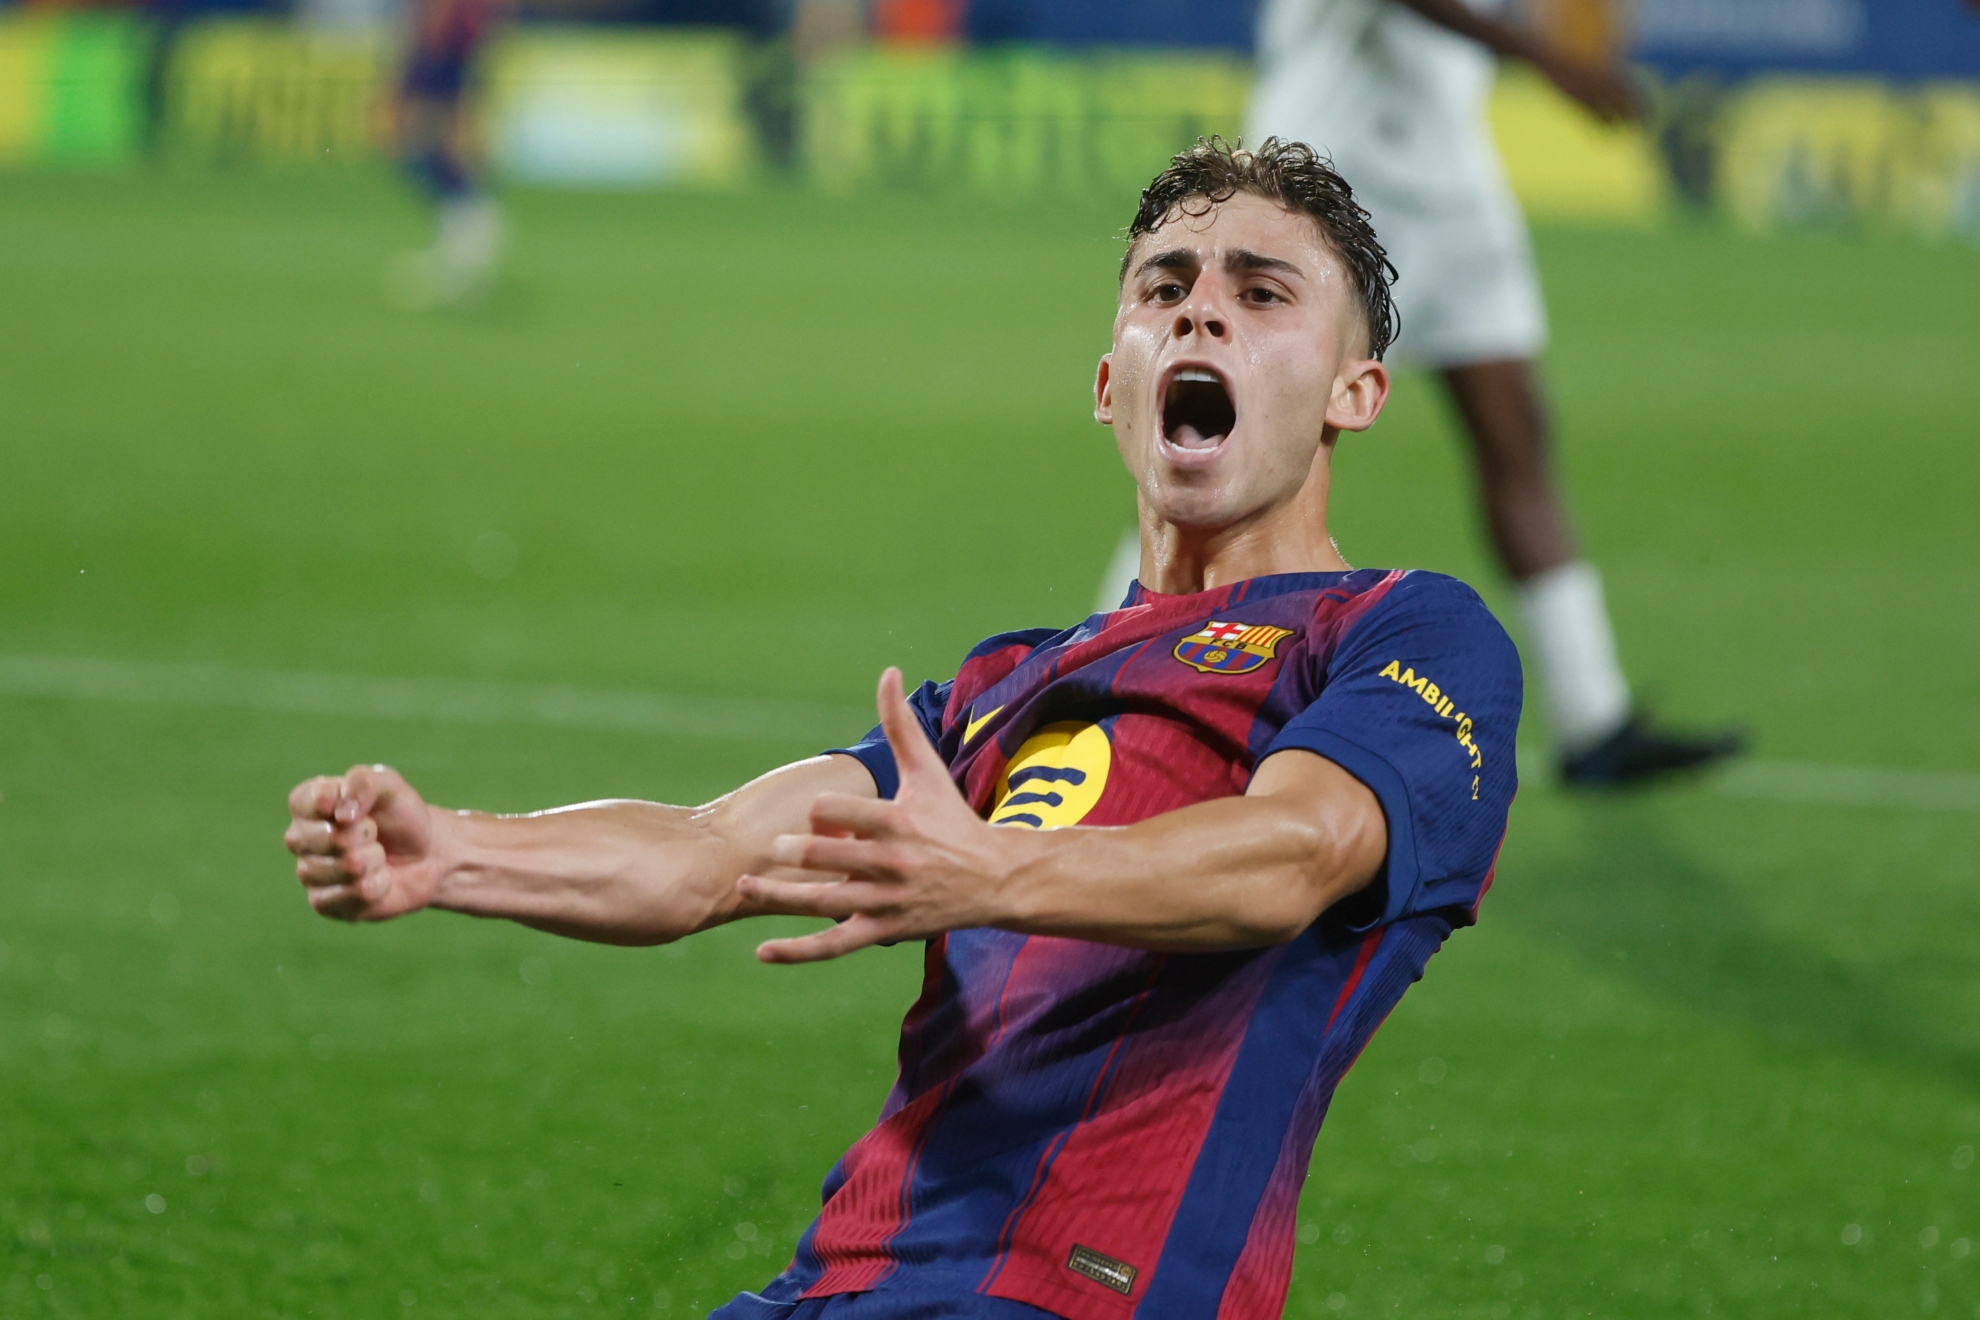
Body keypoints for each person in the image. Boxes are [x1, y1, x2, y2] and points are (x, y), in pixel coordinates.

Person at [284, 139, 1523, 1318]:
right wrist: (454, 851)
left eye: (1263, 294)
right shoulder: (1002, 687)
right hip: (841, 1281)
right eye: (1166, 287)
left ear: (1355, 394)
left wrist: (990, 867)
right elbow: (713, 852)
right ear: (1111, 382)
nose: (1202, 314)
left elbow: (1295, 857)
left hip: (1079, 1293)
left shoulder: (1403, 635)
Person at [1230, 0, 1743, 785]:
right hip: (1331, 180)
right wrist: (1547, 58)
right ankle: (1120, 670)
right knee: (1256, 446)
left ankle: (1591, 716)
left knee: (1517, 433)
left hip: (1450, 181)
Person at [388, 0, 505, 307]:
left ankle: (470, 237)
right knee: (422, 156)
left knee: (427, 152)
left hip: (441, 61)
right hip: (441, 61)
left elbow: (444, 23)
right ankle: (464, 238)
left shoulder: (447, 26)